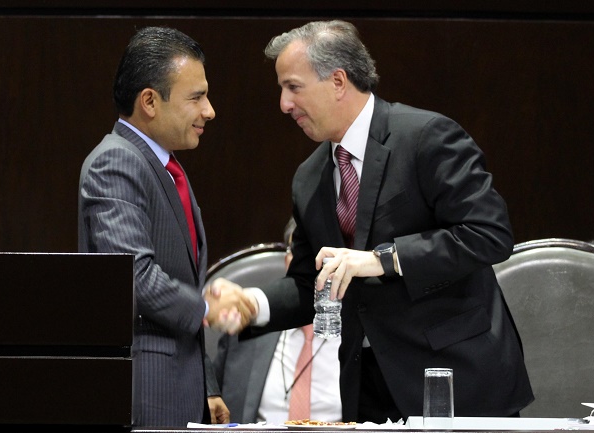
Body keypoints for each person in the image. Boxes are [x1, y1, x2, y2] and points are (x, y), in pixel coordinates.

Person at [214, 20, 534, 423]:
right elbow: (308, 283)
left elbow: (488, 234)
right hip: (367, 390)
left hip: (457, 377)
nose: (284, 104)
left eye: (293, 87)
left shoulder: (426, 137)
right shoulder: (309, 178)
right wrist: (252, 304)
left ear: (337, 81)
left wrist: (382, 259)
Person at [78, 26, 254, 427]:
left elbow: (179, 279)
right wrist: (207, 306)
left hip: (181, 390)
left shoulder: (166, 166)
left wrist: (207, 385)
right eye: (196, 97)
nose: (209, 110)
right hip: (146, 394)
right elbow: (133, 276)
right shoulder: (116, 162)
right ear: (149, 101)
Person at [213, 218, 341, 424]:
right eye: (302, 254)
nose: (314, 265)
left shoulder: (365, 339)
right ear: (288, 261)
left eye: (323, 256)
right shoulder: (246, 328)